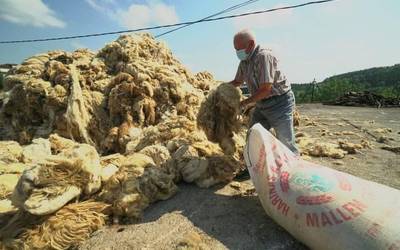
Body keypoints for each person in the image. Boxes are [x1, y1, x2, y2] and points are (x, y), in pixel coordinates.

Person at [229, 29, 299, 155]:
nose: (237, 52)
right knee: (253, 138)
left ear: (251, 44)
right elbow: (237, 81)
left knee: (285, 142)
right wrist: (219, 88)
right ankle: (251, 166)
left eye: (239, 49)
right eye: (235, 49)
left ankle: (292, 170)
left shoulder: (264, 56)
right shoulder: (244, 61)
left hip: (280, 103)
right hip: (261, 104)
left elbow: (265, 90)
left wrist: (243, 103)